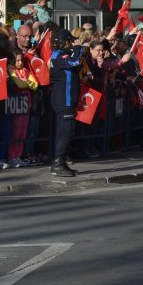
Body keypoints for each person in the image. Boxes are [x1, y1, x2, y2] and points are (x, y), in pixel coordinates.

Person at [49, 29, 84, 177]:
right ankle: (57, 163)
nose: (71, 44)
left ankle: (61, 161)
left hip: (68, 99)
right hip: (64, 99)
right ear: (64, 42)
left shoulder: (64, 55)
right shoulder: (58, 55)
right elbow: (74, 61)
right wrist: (78, 47)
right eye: (70, 41)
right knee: (65, 131)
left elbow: (76, 65)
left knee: (67, 131)